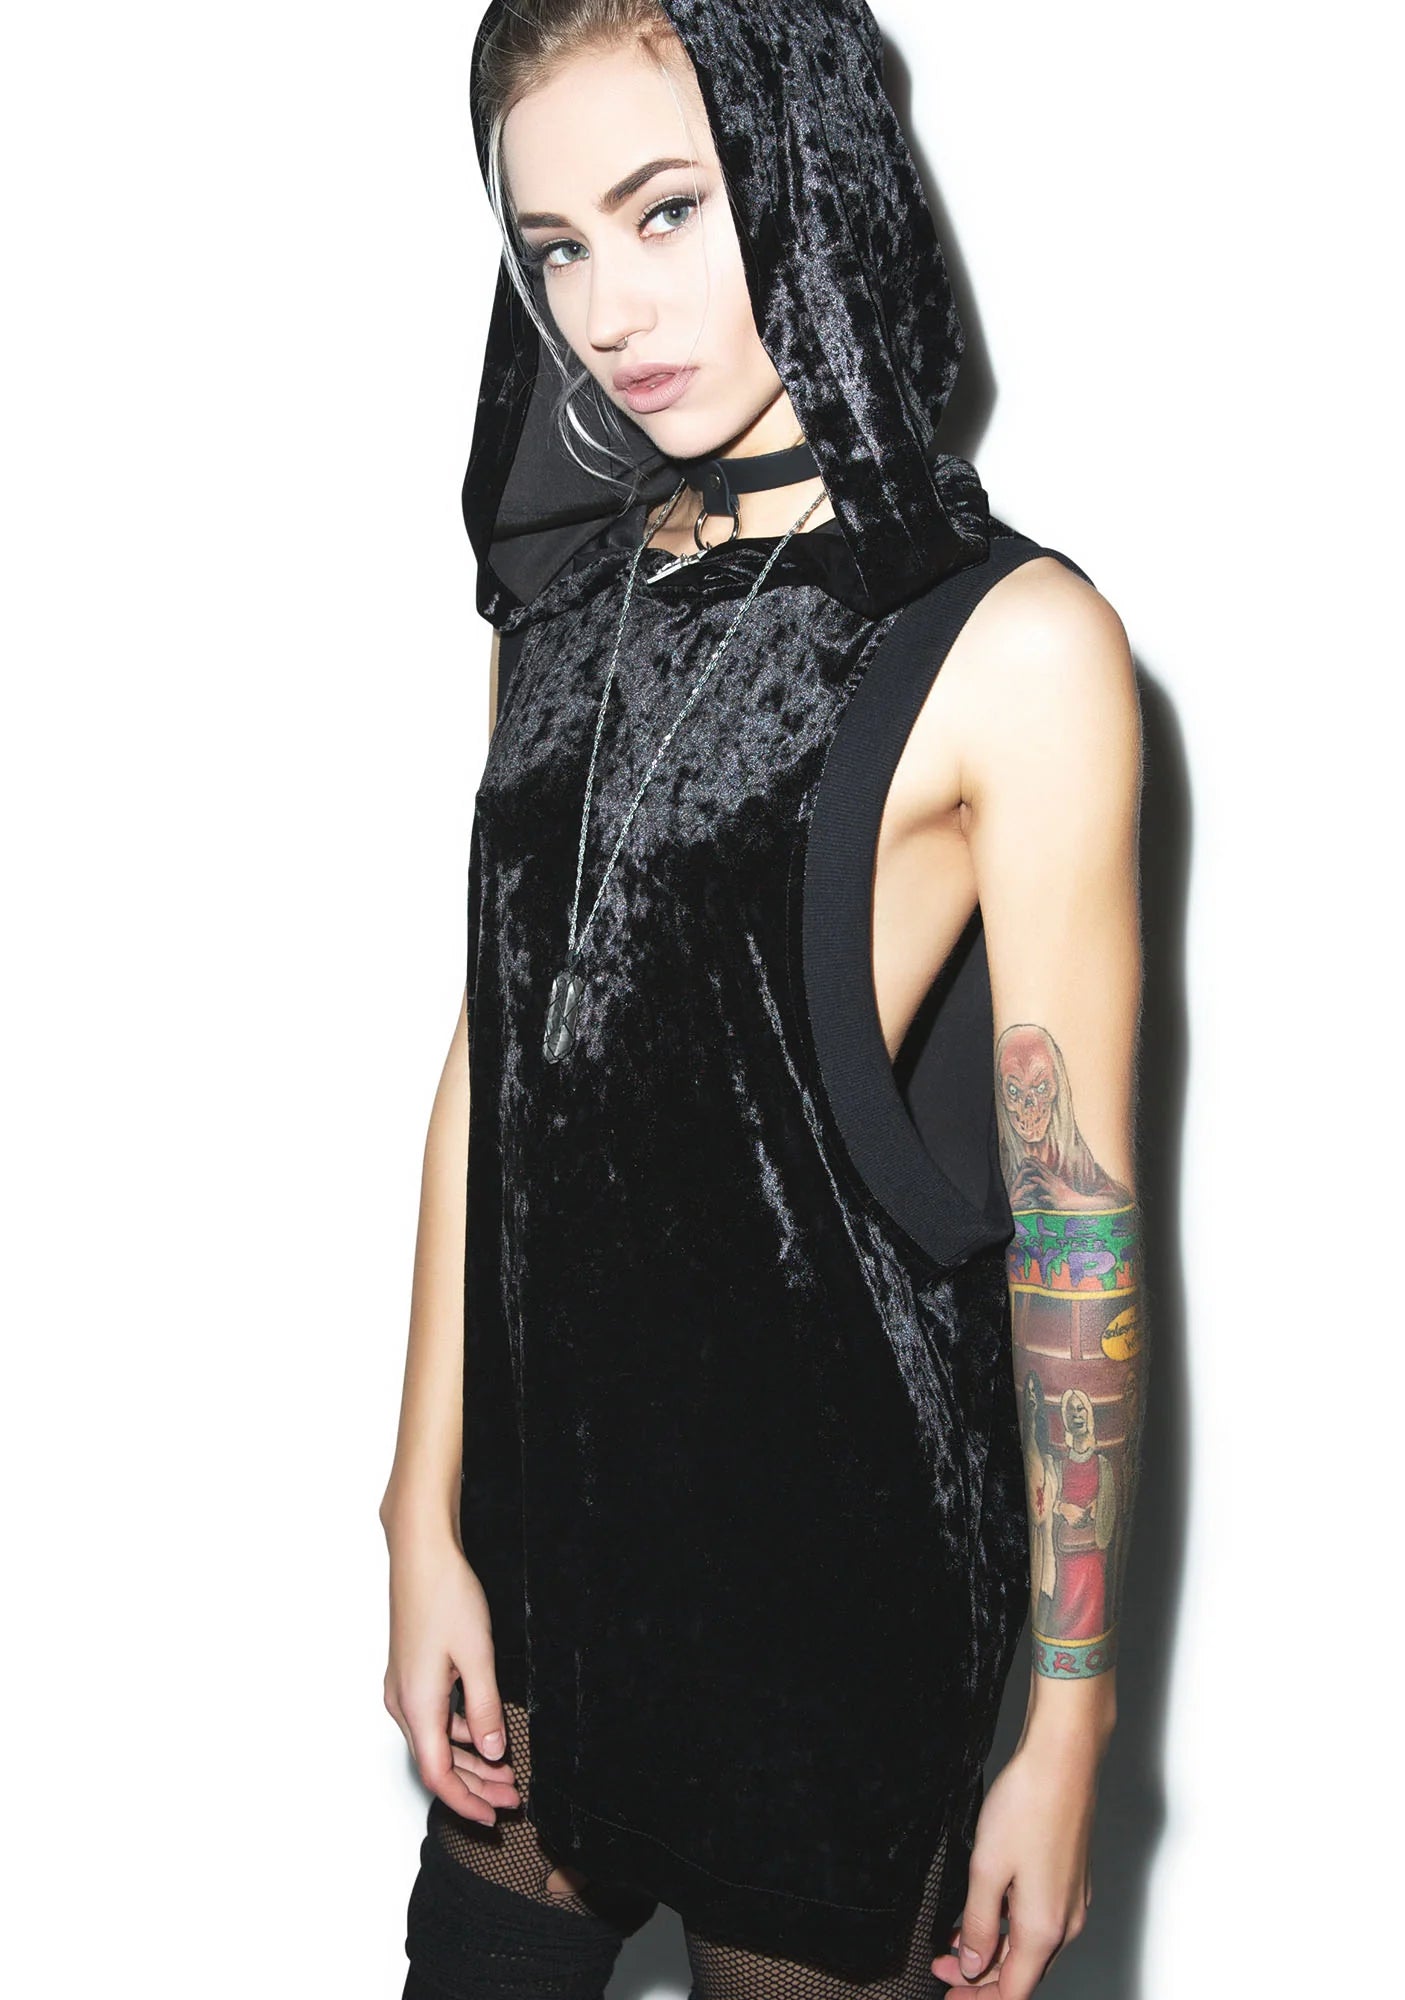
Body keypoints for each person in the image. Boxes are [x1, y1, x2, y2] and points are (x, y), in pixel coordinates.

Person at [380, 3, 1146, 1996]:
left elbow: (1074, 1218)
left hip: (834, 1589)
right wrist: (418, 1511)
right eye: (555, 246)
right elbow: (495, 1052)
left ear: (806, 174)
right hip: (553, 1546)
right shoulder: (569, 602)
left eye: (666, 212)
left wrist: (1066, 1726)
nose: (607, 309)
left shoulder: (1012, 640)